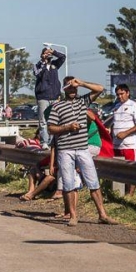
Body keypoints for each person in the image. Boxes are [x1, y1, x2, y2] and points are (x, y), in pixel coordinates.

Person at [47, 76, 118, 227]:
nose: (73, 90)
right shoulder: (57, 107)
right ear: (64, 89)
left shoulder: (82, 101)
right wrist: (67, 127)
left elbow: (99, 89)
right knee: (68, 184)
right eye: (70, 87)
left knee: (93, 181)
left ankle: (102, 214)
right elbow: (50, 128)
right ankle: (73, 215)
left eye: (74, 87)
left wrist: (83, 83)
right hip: (65, 149)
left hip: (82, 148)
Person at [110, 83, 136, 196]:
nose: (120, 96)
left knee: (131, 170)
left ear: (128, 93)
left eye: (122, 94)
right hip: (116, 144)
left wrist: (125, 133)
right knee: (118, 169)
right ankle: (119, 192)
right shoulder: (116, 106)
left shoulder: (134, 106)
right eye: (118, 94)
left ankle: (130, 194)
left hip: (129, 144)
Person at [34, 46, 66, 149]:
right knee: (43, 120)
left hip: (54, 96)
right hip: (43, 97)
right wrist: (43, 62)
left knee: (54, 120)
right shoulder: (37, 65)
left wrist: (53, 51)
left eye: (49, 53)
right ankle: (44, 142)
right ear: (42, 55)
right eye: (45, 53)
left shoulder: (55, 65)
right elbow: (37, 74)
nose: (47, 55)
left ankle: (53, 141)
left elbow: (63, 57)